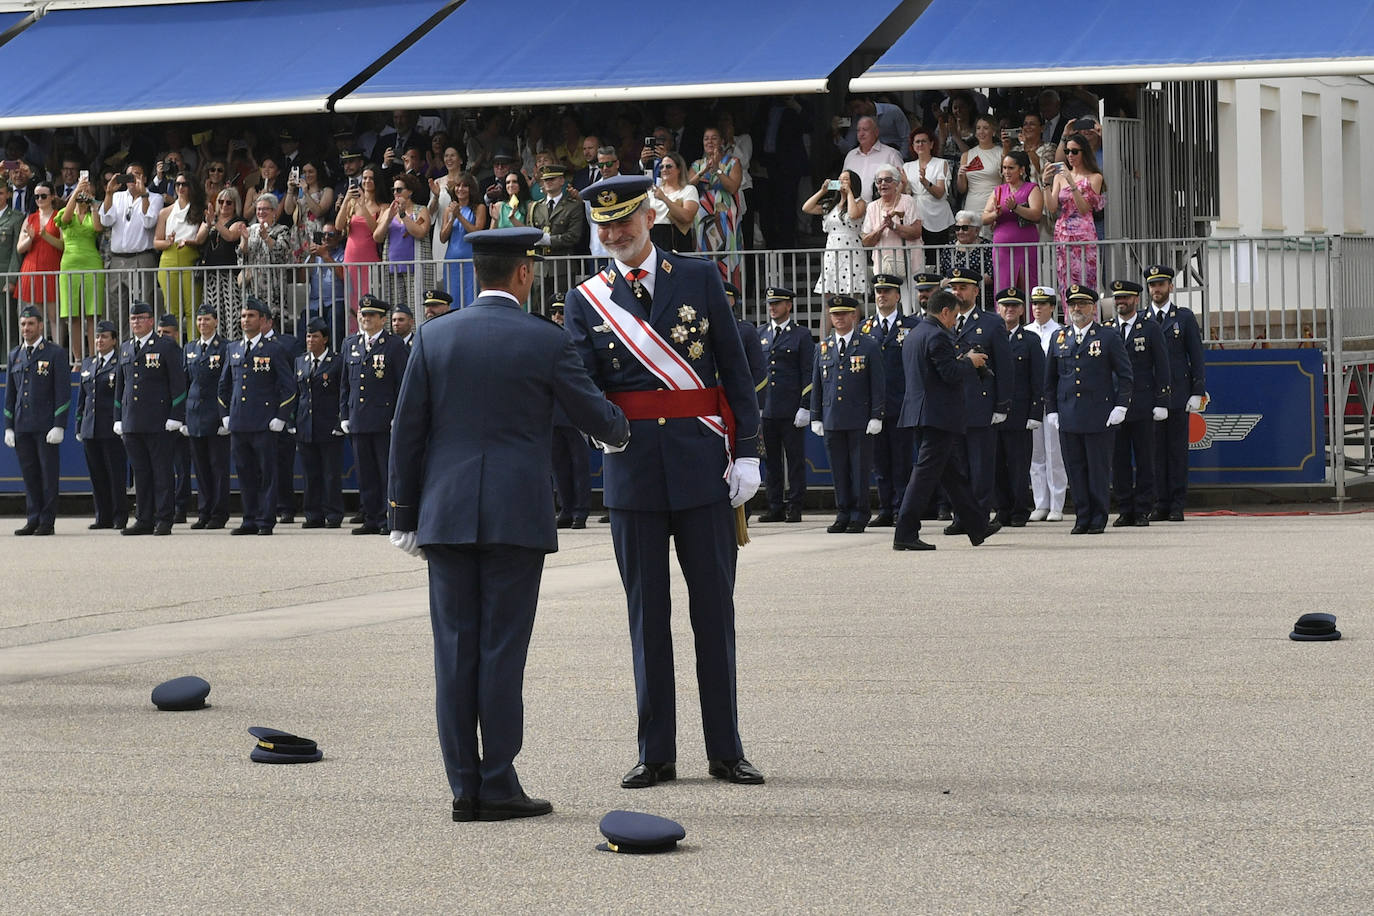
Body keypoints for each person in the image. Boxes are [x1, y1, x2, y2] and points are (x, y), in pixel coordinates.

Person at [387, 226, 629, 822]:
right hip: (515, 515)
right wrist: (622, 423)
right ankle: (497, 781)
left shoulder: (434, 335)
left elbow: (407, 431)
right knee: (501, 650)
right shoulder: (544, 340)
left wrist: (402, 514)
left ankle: (463, 788)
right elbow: (595, 416)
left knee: (454, 651)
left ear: (477, 273)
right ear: (523, 273)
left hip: (444, 515)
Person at [561, 175, 764, 789]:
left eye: (624, 221)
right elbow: (583, 383)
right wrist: (603, 433)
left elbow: (735, 368)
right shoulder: (585, 298)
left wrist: (749, 451)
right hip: (633, 478)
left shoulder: (698, 278)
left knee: (714, 615)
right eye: (604, 226)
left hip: (703, 466)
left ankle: (726, 749)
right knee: (647, 618)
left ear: (650, 216)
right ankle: (657, 753)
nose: (615, 234)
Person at [891, 289, 995, 552]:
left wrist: (959, 360)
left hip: (922, 412)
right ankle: (905, 531)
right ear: (945, 311)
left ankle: (977, 525)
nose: (954, 322)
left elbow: (932, 370)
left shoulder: (916, 333)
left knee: (953, 475)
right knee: (924, 475)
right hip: (937, 415)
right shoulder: (938, 335)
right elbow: (949, 374)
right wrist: (969, 362)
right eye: (954, 316)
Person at [1044, 285, 1132, 535]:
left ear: (1093, 308)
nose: (1076, 309)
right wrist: (1052, 409)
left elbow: (1125, 375)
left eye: (1082, 304)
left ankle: (1098, 517)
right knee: (1075, 469)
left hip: (1099, 415)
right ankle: (1081, 516)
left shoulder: (1107, 336)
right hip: (1068, 414)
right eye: (1072, 304)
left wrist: (1121, 405)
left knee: (1097, 469)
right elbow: (1049, 379)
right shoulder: (1059, 337)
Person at [217, 297, 295, 535]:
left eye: (250, 316)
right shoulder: (233, 348)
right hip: (240, 422)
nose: (245, 320)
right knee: (245, 473)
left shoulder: (274, 349)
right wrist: (225, 415)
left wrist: (281, 416)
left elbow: (288, 386)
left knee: (267, 474)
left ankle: (265, 520)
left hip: (264, 422)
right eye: (242, 316)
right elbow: (224, 386)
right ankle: (249, 519)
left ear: (262, 320)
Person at [811, 294, 885, 534]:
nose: (839, 318)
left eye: (843, 313)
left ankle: (859, 514)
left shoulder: (868, 344)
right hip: (833, 417)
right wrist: (816, 416)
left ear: (854, 315)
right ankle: (842, 512)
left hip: (859, 418)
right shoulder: (823, 347)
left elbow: (878, 383)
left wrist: (877, 415)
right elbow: (817, 384)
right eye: (835, 314)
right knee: (839, 469)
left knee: (859, 469)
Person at [945, 266, 1012, 531]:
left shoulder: (991, 322)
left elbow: (1005, 367)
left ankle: (979, 517)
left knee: (981, 467)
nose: (957, 292)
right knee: (957, 467)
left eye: (963, 287)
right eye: (954, 287)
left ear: (976, 290)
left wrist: (1002, 404)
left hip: (980, 404)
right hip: (951, 406)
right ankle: (961, 516)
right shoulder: (944, 320)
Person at [113, 302, 187, 536]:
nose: (136, 322)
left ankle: (164, 517)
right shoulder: (125, 348)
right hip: (132, 421)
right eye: (133, 319)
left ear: (151, 321)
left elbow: (178, 383)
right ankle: (144, 518)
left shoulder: (166, 346)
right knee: (141, 472)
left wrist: (176, 415)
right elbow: (120, 387)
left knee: (162, 471)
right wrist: (118, 417)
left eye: (141, 318)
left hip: (159, 421)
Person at [339, 294, 408, 535]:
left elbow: (402, 384)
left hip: (382, 419)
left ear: (382, 318)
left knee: (385, 472)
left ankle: (388, 518)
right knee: (365, 472)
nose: (365, 319)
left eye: (371, 315)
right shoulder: (350, 344)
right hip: (358, 418)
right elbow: (345, 384)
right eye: (363, 314)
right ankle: (371, 517)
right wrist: (344, 414)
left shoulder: (394, 345)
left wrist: (396, 416)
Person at [1103, 280, 1170, 528]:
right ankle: (1125, 509)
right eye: (1117, 298)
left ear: (1136, 300)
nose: (1121, 302)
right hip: (1115, 406)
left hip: (1143, 404)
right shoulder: (1107, 329)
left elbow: (1162, 366)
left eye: (1126, 298)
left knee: (1144, 460)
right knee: (1118, 461)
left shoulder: (1150, 328)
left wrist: (1162, 400)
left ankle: (1143, 509)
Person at [1144, 264, 1206, 522]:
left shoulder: (1184, 317)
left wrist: (1197, 390)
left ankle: (1178, 503)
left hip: (1179, 394)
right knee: (1154, 451)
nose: (1156, 289)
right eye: (1152, 285)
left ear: (1170, 286)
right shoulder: (1142, 319)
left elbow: (1196, 355)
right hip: (1150, 396)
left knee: (1177, 451)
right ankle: (1159, 503)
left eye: (1161, 284)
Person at [5, 306, 69, 536]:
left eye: (30, 324)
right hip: (22, 425)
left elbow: (62, 392)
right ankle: (32, 517)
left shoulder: (54, 353)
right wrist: (8, 426)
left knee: (48, 474)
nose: (26, 328)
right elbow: (10, 394)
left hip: (45, 425)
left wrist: (59, 424)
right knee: (29, 474)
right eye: (22, 324)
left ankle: (46, 520)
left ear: (40, 325)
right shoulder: (15, 355)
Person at [861, 274, 919, 527]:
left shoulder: (911, 326)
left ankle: (901, 509)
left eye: (887, 291)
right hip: (874, 406)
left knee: (902, 462)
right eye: (878, 291)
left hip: (901, 404)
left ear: (897, 296)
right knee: (880, 462)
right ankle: (885, 507)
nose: (882, 295)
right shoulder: (864, 328)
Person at [755, 286, 814, 523]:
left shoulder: (801, 334)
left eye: (777, 303)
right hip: (768, 409)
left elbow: (807, 372)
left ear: (788, 305)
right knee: (771, 461)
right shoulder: (761, 334)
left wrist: (805, 404)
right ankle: (775, 506)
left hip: (791, 409)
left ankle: (795, 505)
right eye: (770, 304)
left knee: (795, 460)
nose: (772, 307)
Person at [990, 288, 1045, 527]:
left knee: (1019, 465)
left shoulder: (1031, 340)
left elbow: (1037, 379)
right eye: (1005, 305)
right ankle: (1002, 508)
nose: (1009, 310)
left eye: (1014, 306)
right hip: (993, 413)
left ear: (1022, 310)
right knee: (996, 465)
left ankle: (1020, 509)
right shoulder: (990, 337)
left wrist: (1035, 412)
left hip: (1020, 413)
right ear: (997, 309)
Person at [545, 293, 593, 529]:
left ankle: (581, 511)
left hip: (573, 408)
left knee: (579, 463)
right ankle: (565, 508)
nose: (557, 317)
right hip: (553, 409)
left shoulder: (578, 338)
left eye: (561, 312)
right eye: (554, 312)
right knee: (559, 464)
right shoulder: (545, 337)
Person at [76, 319, 127, 530]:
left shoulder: (120, 362)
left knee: (115, 474)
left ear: (114, 340)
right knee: (97, 474)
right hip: (91, 427)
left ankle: (119, 516)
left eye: (104, 336)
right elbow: (82, 399)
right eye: (97, 336)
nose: (99, 340)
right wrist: (79, 426)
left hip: (110, 427)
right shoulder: (89, 364)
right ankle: (102, 516)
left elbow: (122, 395)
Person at [295, 317, 345, 529]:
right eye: (308, 336)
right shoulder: (300, 361)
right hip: (306, 425)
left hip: (329, 425)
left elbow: (343, 392)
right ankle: (313, 514)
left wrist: (340, 421)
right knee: (310, 473)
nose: (310, 340)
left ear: (324, 339)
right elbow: (297, 394)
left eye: (315, 336)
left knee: (331, 473)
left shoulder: (337, 361)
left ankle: (333, 514)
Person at [184, 304, 231, 529]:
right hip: (194, 414)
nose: (202, 324)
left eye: (207, 320)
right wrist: (183, 416)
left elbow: (227, 383)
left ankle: (219, 513)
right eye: (199, 320)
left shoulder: (225, 348)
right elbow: (185, 382)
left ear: (216, 322)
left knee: (218, 467)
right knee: (200, 468)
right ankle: (203, 512)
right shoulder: (190, 348)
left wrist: (226, 415)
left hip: (215, 414)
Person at [1026, 286, 1067, 522]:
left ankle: (1057, 504)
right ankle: (1040, 502)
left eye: (1043, 304)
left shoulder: (1060, 332)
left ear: (1052, 307)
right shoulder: (1026, 331)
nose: (1038, 308)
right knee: (1035, 454)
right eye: (1035, 304)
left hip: (1052, 400)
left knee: (1055, 454)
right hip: (1033, 400)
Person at [98, 164, 162, 313]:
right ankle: (123, 337)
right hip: (117, 258)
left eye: (137, 174)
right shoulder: (116, 196)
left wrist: (144, 195)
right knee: (117, 306)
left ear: (145, 178)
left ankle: (143, 336)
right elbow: (105, 221)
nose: (133, 179)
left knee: (143, 304)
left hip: (142, 256)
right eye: (129, 175)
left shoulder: (155, 197)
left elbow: (149, 222)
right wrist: (108, 193)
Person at [1045, 133, 1105, 291]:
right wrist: (1045, 184)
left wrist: (1072, 184)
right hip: (1063, 233)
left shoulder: (1095, 177)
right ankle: (1068, 316)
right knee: (1065, 280)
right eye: (1067, 151)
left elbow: (1085, 208)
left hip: (1084, 233)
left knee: (1087, 280)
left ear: (1084, 152)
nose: (1070, 155)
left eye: (1074, 151)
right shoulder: (1060, 176)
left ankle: (1090, 316)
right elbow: (1052, 207)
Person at [57, 176, 104, 361]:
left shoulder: (94, 213)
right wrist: (76, 190)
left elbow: (99, 228)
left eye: (86, 191)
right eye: (81, 192)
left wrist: (92, 202)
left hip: (92, 263)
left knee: (92, 314)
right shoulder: (65, 212)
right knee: (73, 315)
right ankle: (77, 359)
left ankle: (93, 357)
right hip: (69, 265)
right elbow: (66, 218)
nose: (83, 195)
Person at [982, 151, 1043, 295]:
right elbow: (984, 218)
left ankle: (1028, 317)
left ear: (1021, 170)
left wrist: (1016, 208)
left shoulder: (1031, 188)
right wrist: (994, 214)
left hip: (1025, 246)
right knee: (1004, 287)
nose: (1006, 172)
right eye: (1004, 168)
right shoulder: (998, 191)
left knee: (1026, 286)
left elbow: (1036, 215)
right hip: (1002, 248)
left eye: (1011, 168)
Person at [688, 127, 743, 285]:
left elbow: (733, 187)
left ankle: (732, 298)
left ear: (722, 142)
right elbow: (686, 187)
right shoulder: (697, 164)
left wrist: (718, 168)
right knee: (704, 255)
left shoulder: (733, 162)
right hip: (703, 218)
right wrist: (703, 171)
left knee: (728, 256)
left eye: (714, 138)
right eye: (706, 138)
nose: (710, 142)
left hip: (726, 217)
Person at [803, 170, 868, 297]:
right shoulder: (831, 204)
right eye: (839, 179)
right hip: (832, 252)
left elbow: (854, 215)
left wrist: (849, 193)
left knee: (853, 294)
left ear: (853, 183)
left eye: (845, 179)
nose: (841, 182)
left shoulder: (860, 202)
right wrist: (823, 191)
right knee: (829, 295)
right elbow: (806, 208)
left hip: (852, 251)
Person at [155, 172, 209, 321]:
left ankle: (194, 344)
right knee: (172, 312)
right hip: (168, 259)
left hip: (190, 257)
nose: (180, 187)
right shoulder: (165, 212)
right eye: (177, 184)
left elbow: (201, 238)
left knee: (193, 310)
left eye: (184, 184)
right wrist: (168, 242)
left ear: (191, 187)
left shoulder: (200, 210)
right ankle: (173, 344)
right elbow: (156, 242)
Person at [860, 164, 920, 293]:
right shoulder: (872, 207)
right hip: (883, 266)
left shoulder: (908, 201)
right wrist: (882, 227)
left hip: (908, 263)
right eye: (879, 181)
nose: (883, 184)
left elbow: (916, 232)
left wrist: (894, 226)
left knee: (910, 307)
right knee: (884, 305)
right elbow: (866, 241)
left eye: (888, 180)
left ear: (897, 183)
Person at [157, 313, 193, 523]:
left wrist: (183, 417)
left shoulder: (183, 354)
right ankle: (164, 506)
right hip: (161, 418)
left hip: (181, 417)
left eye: (167, 332)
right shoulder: (155, 352)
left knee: (182, 466)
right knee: (162, 467)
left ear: (177, 334)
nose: (163, 336)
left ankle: (181, 507)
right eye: (160, 332)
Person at [376, 172, 430, 311]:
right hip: (392, 268)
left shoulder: (421, 210)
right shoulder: (388, 211)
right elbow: (377, 237)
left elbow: (420, 233)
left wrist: (402, 215)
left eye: (399, 189)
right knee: (396, 310)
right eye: (393, 190)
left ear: (410, 191)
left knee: (416, 308)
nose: (396, 193)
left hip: (415, 268)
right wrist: (388, 218)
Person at [238, 194, 294, 318]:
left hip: (273, 289)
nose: (261, 212)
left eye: (265, 209)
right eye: (258, 209)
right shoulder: (250, 230)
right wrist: (245, 240)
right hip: (253, 289)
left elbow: (282, 253)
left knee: (273, 329)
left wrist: (266, 237)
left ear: (274, 211)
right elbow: (242, 256)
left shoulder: (282, 230)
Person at [16, 181, 62, 328]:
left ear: (52, 197)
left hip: (52, 268)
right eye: (37, 197)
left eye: (43, 196)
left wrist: (45, 235)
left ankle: (57, 350)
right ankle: (36, 349)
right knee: (35, 317)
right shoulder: (30, 218)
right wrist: (30, 237)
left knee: (54, 316)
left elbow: (63, 245)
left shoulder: (58, 217)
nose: (40, 200)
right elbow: (20, 248)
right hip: (32, 269)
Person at [337, 164, 383, 309]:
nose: (367, 181)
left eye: (371, 178)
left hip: (369, 258)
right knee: (352, 302)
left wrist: (363, 206)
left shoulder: (382, 206)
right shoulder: (352, 203)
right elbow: (338, 226)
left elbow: (375, 230)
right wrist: (346, 200)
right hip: (351, 258)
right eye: (364, 178)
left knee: (369, 300)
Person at [202, 188, 246, 328]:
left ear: (235, 205)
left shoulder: (239, 221)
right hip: (212, 274)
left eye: (229, 202)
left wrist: (215, 222)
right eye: (221, 202)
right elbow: (199, 238)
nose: (224, 205)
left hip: (230, 273)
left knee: (232, 314)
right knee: (213, 314)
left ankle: (233, 345)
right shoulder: (212, 220)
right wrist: (208, 224)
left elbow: (230, 236)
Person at [904, 127, 954, 248]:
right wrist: (903, 184)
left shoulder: (941, 163)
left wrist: (926, 183)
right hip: (915, 214)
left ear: (931, 144)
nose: (920, 144)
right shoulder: (907, 166)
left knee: (936, 255)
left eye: (924, 141)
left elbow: (940, 193)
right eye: (917, 141)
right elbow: (907, 193)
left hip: (937, 214)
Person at [439, 173, 484, 308]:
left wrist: (459, 216)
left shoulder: (479, 208)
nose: (460, 189)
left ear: (471, 189)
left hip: (471, 261)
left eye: (465, 186)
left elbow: (477, 233)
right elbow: (442, 238)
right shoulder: (448, 210)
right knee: (453, 299)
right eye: (458, 185)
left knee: (471, 298)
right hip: (452, 261)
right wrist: (453, 217)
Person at [956, 116, 1003, 240]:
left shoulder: (1001, 153)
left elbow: (1005, 184)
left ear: (993, 131)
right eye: (978, 128)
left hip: (994, 203)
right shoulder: (967, 155)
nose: (981, 132)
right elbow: (962, 189)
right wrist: (960, 175)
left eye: (986, 128)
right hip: (973, 204)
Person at [841, 115, 904, 201]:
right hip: (853, 209)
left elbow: (902, 183)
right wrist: (829, 186)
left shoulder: (891, 154)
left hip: (881, 209)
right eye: (858, 130)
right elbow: (841, 182)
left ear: (876, 132)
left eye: (865, 130)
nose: (861, 134)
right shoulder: (850, 156)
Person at [648, 152, 698, 254]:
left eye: (669, 166)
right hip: (654, 238)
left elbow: (687, 217)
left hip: (677, 239)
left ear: (679, 169)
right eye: (662, 167)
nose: (664, 170)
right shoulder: (652, 191)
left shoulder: (689, 190)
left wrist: (664, 198)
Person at [723, 282, 765, 394]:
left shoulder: (746, 330)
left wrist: (749, 400)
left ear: (731, 301)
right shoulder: (706, 327)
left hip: (738, 395)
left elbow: (758, 370)